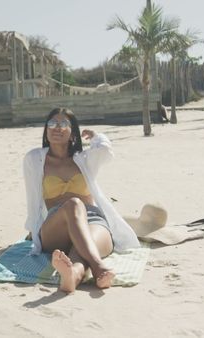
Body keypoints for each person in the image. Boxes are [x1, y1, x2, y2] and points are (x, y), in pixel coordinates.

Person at [23, 107, 140, 292]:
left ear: (73, 133)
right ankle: (98, 267)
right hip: (56, 224)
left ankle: (73, 275)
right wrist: (33, 228)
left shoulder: (84, 159)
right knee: (74, 204)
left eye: (63, 124)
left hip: (93, 220)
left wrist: (95, 137)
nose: (57, 128)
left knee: (84, 245)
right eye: (52, 123)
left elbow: (105, 151)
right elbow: (32, 198)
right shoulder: (34, 159)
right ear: (46, 130)